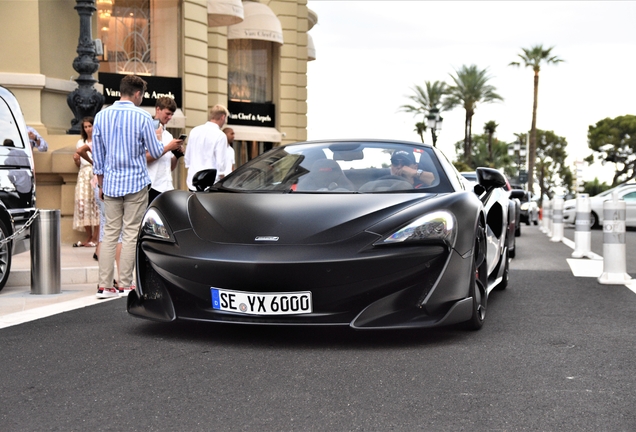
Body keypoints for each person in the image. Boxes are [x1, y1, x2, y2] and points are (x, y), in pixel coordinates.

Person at [92, 74, 164, 299]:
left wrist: (102, 184)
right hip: (136, 183)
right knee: (131, 233)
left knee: (110, 233)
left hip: (111, 184)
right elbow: (155, 150)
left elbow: (98, 157)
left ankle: (104, 286)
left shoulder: (101, 117)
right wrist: (161, 139)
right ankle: (124, 284)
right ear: (137, 94)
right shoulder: (142, 117)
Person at [146, 97, 184, 204]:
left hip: (166, 187)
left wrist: (176, 155)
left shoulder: (168, 135)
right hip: (151, 187)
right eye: (167, 113)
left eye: (172, 114)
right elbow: (145, 158)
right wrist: (168, 148)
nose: (170, 117)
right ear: (158, 109)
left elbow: (169, 167)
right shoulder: (149, 129)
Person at [184, 105, 229, 191]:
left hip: (193, 182)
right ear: (223, 117)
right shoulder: (220, 136)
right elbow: (221, 165)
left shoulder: (194, 131)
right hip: (211, 185)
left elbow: (187, 159)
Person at [72, 117, 99, 248]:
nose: (88, 129)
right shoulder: (80, 142)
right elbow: (78, 163)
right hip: (83, 174)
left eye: (90, 126)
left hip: (94, 173)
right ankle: (88, 236)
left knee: (96, 205)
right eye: (86, 127)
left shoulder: (98, 140)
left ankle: (96, 237)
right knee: (83, 204)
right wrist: (76, 159)